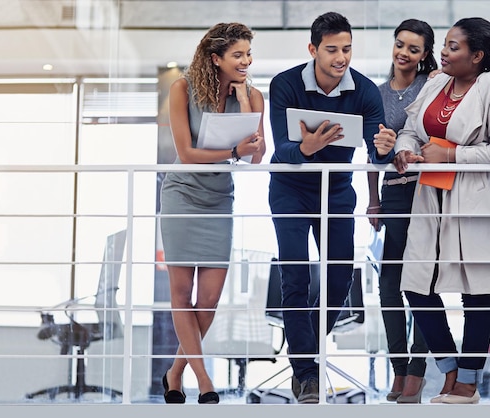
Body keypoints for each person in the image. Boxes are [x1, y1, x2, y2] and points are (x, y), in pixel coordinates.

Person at [268, 11, 397, 404]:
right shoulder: (285, 83)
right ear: (313, 50)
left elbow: (376, 153)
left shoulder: (364, 91)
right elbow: (281, 149)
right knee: (295, 279)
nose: (341, 57)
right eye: (331, 50)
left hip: (338, 190)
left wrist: (383, 149)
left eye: (347, 48)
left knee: (341, 279)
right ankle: (306, 373)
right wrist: (305, 149)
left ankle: (302, 348)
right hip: (290, 190)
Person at [393, 17, 490, 404]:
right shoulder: (436, 83)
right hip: (432, 195)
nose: (444, 53)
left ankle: (467, 383)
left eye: (453, 47)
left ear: (478, 56)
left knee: (478, 292)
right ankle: (448, 368)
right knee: (416, 285)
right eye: (445, 46)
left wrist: (451, 154)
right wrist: (403, 148)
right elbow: (410, 128)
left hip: (476, 196)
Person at [160, 22, 265, 405]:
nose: (246, 61)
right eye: (238, 54)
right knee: (181, 292)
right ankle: (203, 380)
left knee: (208, 299)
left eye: (248, 54)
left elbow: (258, 154)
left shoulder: (252, 95)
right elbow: (186, 154)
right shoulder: (182, 89)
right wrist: (233, 152)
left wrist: (247, 100)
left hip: (220, 198)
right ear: (215, 58)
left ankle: (174, 373)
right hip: (183, 195)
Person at [365, 19, 438, 404]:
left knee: (422, 283)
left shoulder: (433, 86)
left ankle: (417, 372)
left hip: (427, 193)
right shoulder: (376, 95)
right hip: (393, 194)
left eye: (413, 48)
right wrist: (372, 198)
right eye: (400, 45)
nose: (404, 53)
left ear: (424, 54)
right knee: (389, 284)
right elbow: (372, 154)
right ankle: (398, 368)